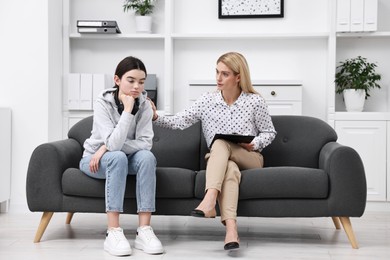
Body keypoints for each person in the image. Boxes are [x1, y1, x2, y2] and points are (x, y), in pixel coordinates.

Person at [151, 52, 276, 251]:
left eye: (225, 74)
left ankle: (209, 199)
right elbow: (179, 121)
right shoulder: (206, 101)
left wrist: (255, 143)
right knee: (230, 167)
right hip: (222, 160)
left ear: (238, 77)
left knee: (219, 143)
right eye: (217, 72)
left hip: (250, 157)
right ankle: (231, 231)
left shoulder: (254, 101)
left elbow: (269, 132)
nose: (218, 78)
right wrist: (155, 117)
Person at [79, 56, 164, 256]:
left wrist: (106, 147)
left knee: (146, 158)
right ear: (117, 80)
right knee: (116, 157)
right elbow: (114, 145)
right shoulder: (102, 102)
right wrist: (127, 110)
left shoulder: (144, 104)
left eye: (142, 82)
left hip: (120, 156)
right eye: (131, 80)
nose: (137, 87)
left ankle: (144, 230)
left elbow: (145, 143)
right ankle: (114, 232)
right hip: (94, 159)